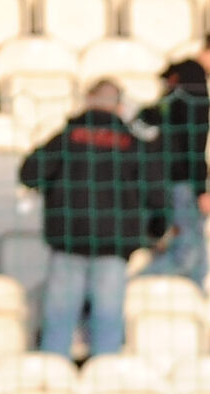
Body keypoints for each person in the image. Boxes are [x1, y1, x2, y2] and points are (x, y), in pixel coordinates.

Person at [21, 80, 165, 361]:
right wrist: (155, 231)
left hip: (69, 241)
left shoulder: (68, 137)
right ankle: (105, 382)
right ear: (120, 106)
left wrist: (55, 190)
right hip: (114, 245)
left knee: (59, 319)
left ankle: (53, 380)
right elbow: (158, 193)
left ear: (88, 101)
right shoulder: (131, 143)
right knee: (108, 320)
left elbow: (29, 173)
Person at [135, 30, 210, 291]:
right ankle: (123, 292)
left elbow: (152, 121)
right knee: (188, 256)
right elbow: (193, 138)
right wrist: (201, 189)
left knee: (199, 265)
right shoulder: (194, 82)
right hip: (180, 180)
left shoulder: (176, 80)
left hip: (164, 174)